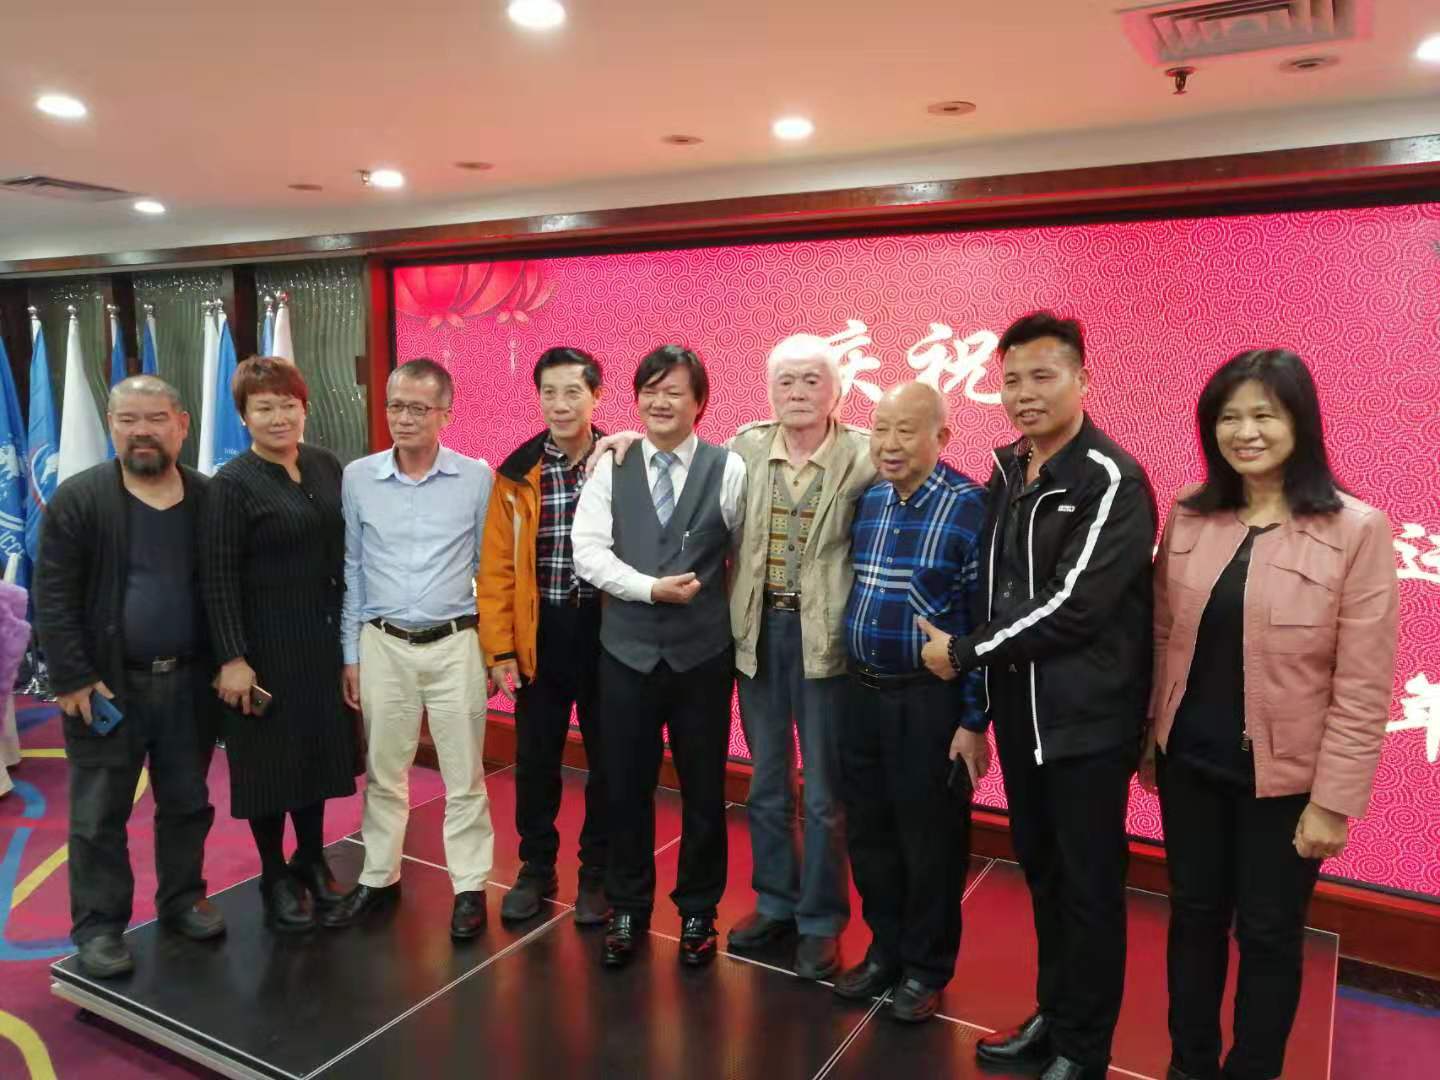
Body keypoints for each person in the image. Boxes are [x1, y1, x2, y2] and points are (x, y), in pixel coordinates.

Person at [1140, 350, 1399, 1080]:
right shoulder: (1192, 511)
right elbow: (1162, 634)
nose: (1244, 432)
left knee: (1269, 934)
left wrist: (1334, 802)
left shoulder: (1356, 529)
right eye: (1229, 417)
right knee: (1193, 920)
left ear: (1300, 422)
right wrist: (1151, 740)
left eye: (1264, 415)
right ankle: (1188, 1065)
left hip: (1286, 785)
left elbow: (1363, 682)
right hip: (1191, 763)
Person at [919, 312, 1157, 1080]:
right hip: (1022, 718)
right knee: (1045, 875)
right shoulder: (1009, 469)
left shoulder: (1111, 480)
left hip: (1085, 723)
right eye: (1012, 379)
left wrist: (964, 653)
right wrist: (980, 707)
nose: (1025, 393)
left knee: (1090, 886)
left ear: (1083, 380)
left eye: (1043, 376)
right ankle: (1054, 1016)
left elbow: (1074, 604)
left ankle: (1085, 1049)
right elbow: (993, 588)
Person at [34, 375, 225, 977]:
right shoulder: (80, 499)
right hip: (105, 689)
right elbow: (53, 595)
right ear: (112, 426)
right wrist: (72, 676)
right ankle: (99, 928)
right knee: (98, 817)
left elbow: (223, 587)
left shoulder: (207, 497)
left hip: (190, 686)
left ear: (182, 425)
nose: (142, 431)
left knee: (188, 803)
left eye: (155, 418)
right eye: (128, 419)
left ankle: (182, 900)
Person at [572, 344, 747, 969]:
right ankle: (627, 905)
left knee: (703, 790)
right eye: (649, 390)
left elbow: (744, 553)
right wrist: (649, 588)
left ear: (700, 402)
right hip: (625, 654)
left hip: (702, 657)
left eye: (674, 391)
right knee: (625, 786)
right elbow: (587, 552)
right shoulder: (611, 464)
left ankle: (699, 910)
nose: (660, 402)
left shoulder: (729, 468)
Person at [830, 381, 985, 1023]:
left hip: (929, 703)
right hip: (861, 693)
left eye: (905, 430)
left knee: (931, 841)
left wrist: (974, 720)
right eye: (880, 428)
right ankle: (885, 950)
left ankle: (926, 967)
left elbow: (981, 623)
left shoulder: (970, 506)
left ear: (941, 436)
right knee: (869, 833)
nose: (888, 444)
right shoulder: (869, 499)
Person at [327, 358, 496, 939]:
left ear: (445, 413)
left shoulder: (475, 478)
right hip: (382, 644)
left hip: (455, 644)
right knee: (385, 772)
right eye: (395, 405)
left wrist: (493, 651)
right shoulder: (359, 478)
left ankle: (469, 887)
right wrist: (351, 654)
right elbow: (352, 568)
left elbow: (489, 569)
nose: (403, 418)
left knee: (464, 774)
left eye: (418, 408)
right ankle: (378, 877)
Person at [725, 335, 873, 980]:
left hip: (825, 642)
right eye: (785, 381)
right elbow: (685, 468)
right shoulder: (745, 448)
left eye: (812, 380)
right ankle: (775, 902)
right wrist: (619, 441)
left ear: (837, 389)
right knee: (766, 783)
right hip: (757, 634)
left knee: (823, 794)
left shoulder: (865, 453)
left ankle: (820, 920)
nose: (797, 393)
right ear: (769, 390)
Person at [202, 356, 359, 933]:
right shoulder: (231, 485)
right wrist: (232, 657)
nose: (278, 417)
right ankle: (273, 873)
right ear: (243, 416)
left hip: (320, 643)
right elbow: (217, 577)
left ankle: (311, 858)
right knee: (269, 766)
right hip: (262, 651)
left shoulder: (323, 465)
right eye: (263, 407)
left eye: (287, 405)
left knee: (315, 755)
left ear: (304, 408)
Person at [477, 347, 610, 925]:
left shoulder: (620, 462)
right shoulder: (516, 473)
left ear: (596, 397)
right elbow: (497, 570)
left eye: (572, 392)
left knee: (610, 761)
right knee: (535, 760)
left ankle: (598, 871)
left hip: (608, 634)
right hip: (541, 633)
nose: (560, 404)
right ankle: (536, 866)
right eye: (549, 392)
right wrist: (500, 649)